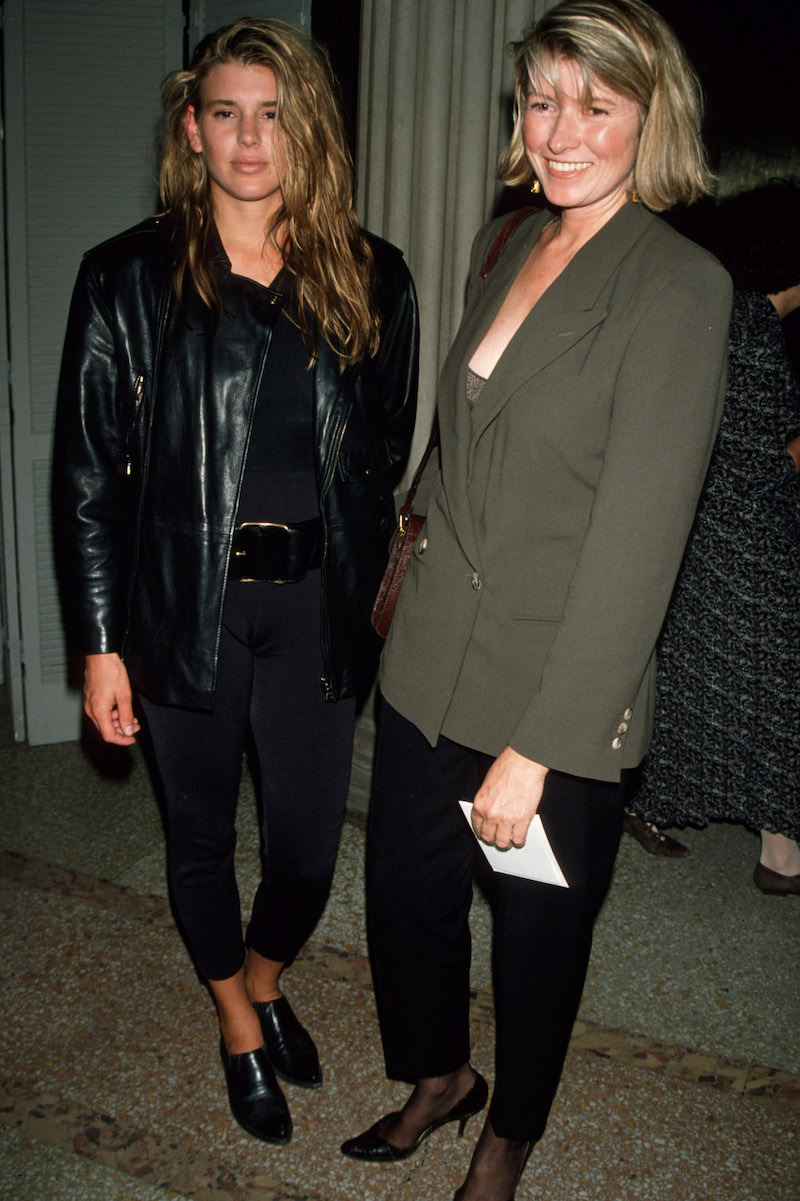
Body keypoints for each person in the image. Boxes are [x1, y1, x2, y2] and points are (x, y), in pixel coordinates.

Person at [340, 1, 731, 1196]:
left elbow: (637, 544)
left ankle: (509, 1127)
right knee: (403, 893)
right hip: (433, 656)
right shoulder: (506, 240)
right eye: (542, 99)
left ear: (647, 118)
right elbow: (460, 444)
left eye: (594, 106)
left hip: (556, 683)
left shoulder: (678, 287)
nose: (559, 132)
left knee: (533, 936)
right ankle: (437, 1075)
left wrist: (542, 748)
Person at [53, 18, 418, 1146]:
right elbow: (83, 475)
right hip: (179, 608)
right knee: (200, 835)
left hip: (312, 607)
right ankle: (234, 1021)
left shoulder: (371, 273)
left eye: (271, 112)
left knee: (308, 847)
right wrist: (101, 639)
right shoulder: (124, 276)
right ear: (191, 128)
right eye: (224, 112)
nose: (249, 138)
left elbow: (382, 458)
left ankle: (262, 976)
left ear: (304, 126)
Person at [628, 180, 800, 896]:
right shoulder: (755, 328)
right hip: (752, 531)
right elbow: (764, 447)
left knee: (698, 666)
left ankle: (645, 798)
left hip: (699, 526)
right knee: (774, 680)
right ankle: (781, 847)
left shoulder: (714, 312)